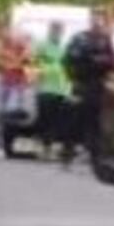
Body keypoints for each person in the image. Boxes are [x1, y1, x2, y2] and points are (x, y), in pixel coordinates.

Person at [63, 6, 114, 168]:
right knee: (73, 121)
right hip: (80, 83)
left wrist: (95, 60)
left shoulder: (105, 39)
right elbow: (69, 59)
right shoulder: (80, 38)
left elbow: (112, 62)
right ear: (90, 19)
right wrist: (73, 76)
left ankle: (95, 157)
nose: (97, 21)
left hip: (97, 85)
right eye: (95, 17)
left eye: (100, 18)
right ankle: (68, 153)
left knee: (95, 123)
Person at [0, 26, 32, 157]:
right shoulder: (2, 48)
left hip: (16, 86)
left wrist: (16, 62)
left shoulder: (23, 48)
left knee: (9, 114)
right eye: (9, 35)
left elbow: (28, 63)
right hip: (4, 84)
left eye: (15, 36)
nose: (12, 38)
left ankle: (6, 145)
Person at [33, 22, 71, 159]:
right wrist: (34, 78)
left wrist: (69, 86)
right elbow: (32, 62)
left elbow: (69, 67)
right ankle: (43, 146)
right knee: (44, 118)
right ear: (49, 31)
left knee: (57, 120)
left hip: (61, 89)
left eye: (59, 30)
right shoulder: (42, 46)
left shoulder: (65, 47)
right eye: (54, 30)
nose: (56, 33)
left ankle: (50, 147)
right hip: (44, 88)